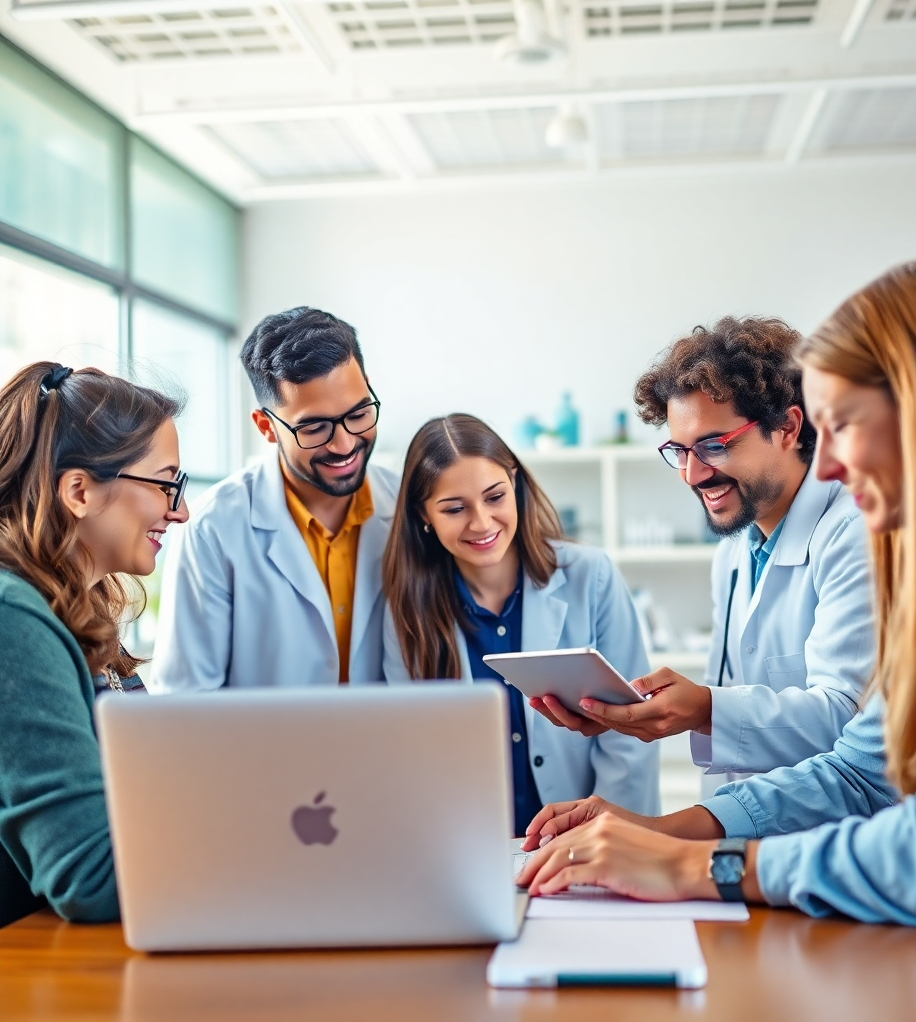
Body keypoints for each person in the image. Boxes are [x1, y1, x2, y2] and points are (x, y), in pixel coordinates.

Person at [516, 262, 916, 945]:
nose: (833, 465)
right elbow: (858, 771)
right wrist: (664, 838)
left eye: (841, 424)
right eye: (680, 452)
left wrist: (705, 864)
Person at [528, 317, 874, 799]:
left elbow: (850, 721)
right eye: (679, 450)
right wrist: (638, 715)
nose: (692, 474)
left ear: (789, 427)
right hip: (748, 840)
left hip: (840, 845)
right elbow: (735, 718)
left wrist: (702, 709)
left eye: (713, 446)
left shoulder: (856, 533)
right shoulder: (733, 551)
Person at [381, 415, 659, 837]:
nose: (481, 522)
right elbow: (407, 752)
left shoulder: (592, 576)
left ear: (516, 484)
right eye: (455, 509)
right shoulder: (405, 608)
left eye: (495, 497)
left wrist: (605, 835)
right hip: (465, 846)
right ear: (424, 514)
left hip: (589, 840)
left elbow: (631, 731)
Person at [0, 362, 189, 926]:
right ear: (79, 490)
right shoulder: (13, 620)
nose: (180, 510)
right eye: (166, 484)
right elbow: (92, 877)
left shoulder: (79, 611)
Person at [151, 308, 398, 691]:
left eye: (359, 413)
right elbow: (187, 703)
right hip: (261, 753)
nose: (345, 443)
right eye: (315, 428)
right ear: (266, 427)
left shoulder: (410, 504)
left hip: (391, 747)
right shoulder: (212, 529)